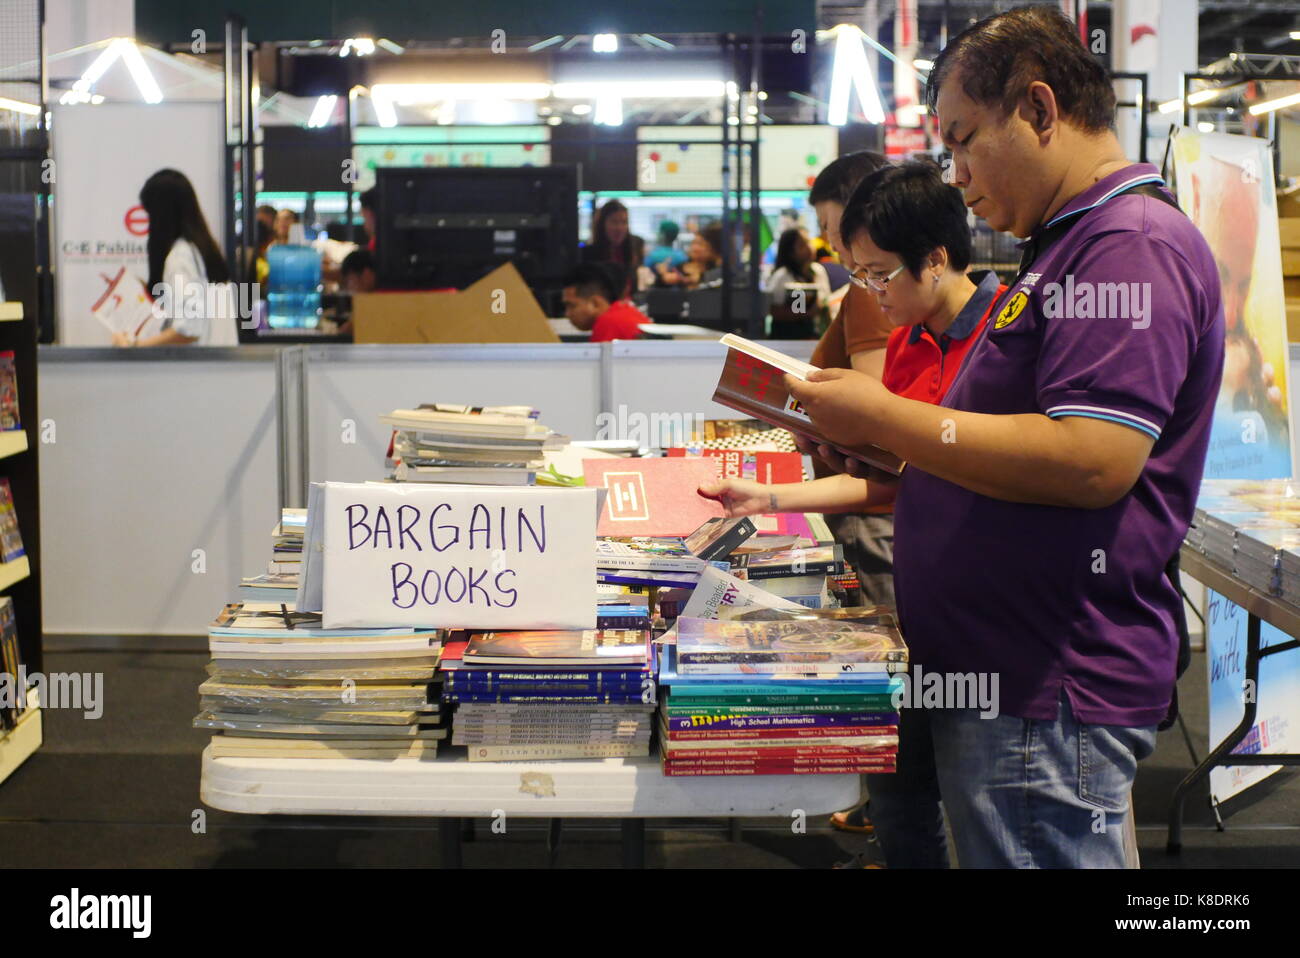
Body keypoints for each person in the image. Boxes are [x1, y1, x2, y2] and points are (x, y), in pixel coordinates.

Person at [772, 5, 1224, 869]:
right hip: (1013, 677)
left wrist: (882, 417)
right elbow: (1003, 441)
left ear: (1041, 110)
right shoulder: (1068, 246)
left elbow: (1094, 460)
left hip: (1045, 683)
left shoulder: (1125, 245)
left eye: (964, 140)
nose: (958, 176)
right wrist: (883, 446)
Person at [700, 160, 1005, 864]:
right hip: (921, 601)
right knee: (897, 778)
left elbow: (964, 468)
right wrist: (768, 497)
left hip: (980, 615)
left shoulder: (998, 341)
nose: (867, 291)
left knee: (982, 807)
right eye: (857, 274)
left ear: (935, 258)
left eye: (877, 275)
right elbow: (896, 480)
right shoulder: (908, 339)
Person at [112, 168, 237, 347]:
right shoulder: (201, 249)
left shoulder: (180, 257)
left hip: (197, 369)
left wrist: (135, 346)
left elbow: (189, 329)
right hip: (219, 366)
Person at [765, 228, 831, 338]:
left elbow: (826, 301)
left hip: (815, 337)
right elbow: (773, 310)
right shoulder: (782, 276)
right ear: (790, 252)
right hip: (788, 339)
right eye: (802, 245)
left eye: (809, 242)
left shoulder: (818, 271)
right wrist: (806, 314)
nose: (810, 248)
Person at [561, 263, 650, 342]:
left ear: (595, 304)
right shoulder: (628, 313)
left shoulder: (608, 323)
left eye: (571, 306)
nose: (567, 314)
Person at [584, 200, 644, 297]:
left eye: (624, 222)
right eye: (614, 222)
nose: (619, 228)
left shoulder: (632, 252)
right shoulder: (588, 255)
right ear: (602, 224)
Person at [655, 223, 724, 289]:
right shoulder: (680, 266)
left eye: (700, 244)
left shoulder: (716, 270)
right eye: (693, 243)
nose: (695, 248)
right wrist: (663, 275)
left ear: (712, 247)